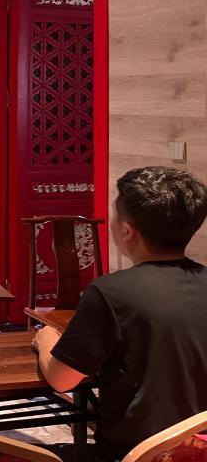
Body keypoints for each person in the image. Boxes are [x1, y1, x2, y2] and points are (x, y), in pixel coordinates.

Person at [34, 166, 207, 462]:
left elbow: (62, 380)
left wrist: (45, 340)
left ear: (127, 232)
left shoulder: (110, 292)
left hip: (133, 455)